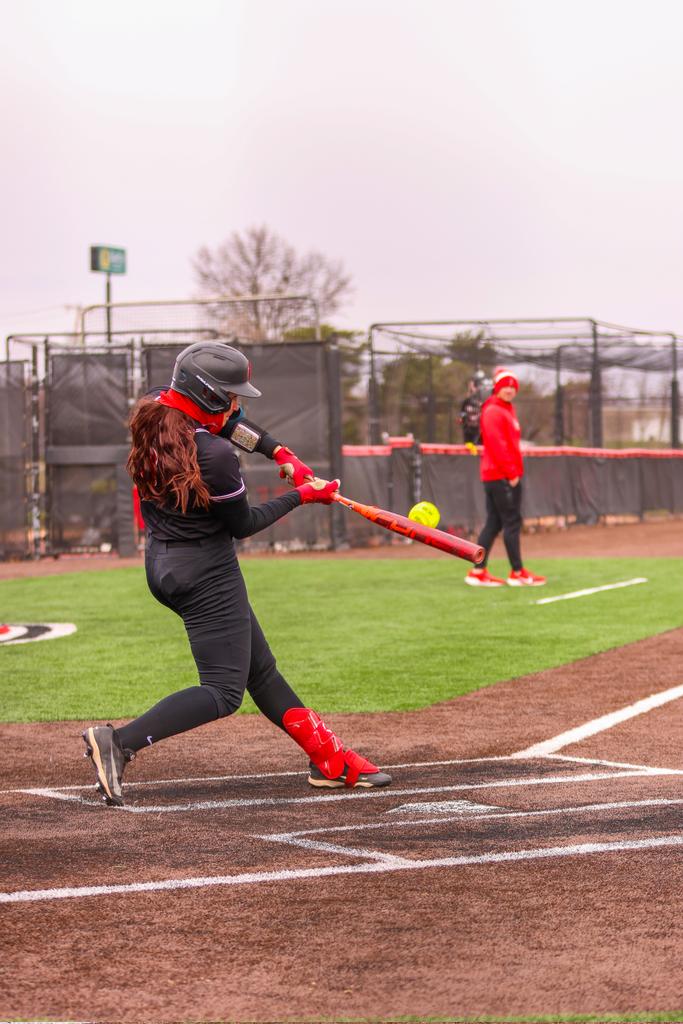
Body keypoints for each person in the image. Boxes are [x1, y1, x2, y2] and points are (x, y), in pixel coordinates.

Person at [82, 340, 391, 806]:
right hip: (206, 572)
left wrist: (279, 452)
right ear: (206, 394)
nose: (237, 403)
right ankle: (119, 743)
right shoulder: (214, 457)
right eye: (230, 394)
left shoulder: (155, 409)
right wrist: (305, 496)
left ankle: (328, 757)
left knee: (260, 670)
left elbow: (231, 425)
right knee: (225, 692)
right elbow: (243, 525)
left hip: (165, 563)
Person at [464, 367, 546, 588]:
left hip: (503, 473)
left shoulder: (507, 409)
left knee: (494, 522)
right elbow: (496, 445)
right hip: (499, 474)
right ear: (497, 388)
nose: (509, 390)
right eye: (505, 386)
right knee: (511, 521)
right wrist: (511, 473)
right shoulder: (493, 411)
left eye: (513, 386)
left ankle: (478, 570)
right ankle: (516, 572)